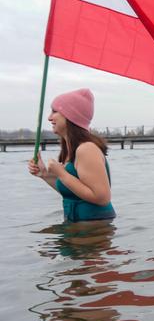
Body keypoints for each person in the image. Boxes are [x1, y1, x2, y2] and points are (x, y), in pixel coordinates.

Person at [28, 88, 116, 222]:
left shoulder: (86, 149)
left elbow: (102, 197)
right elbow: (73, 192)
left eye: (55, 111)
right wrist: (44, 174)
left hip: (95, 230)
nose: (49, 117)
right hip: (80, 228)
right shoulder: (72, 150)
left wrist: (61, 173)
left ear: (70, 116)